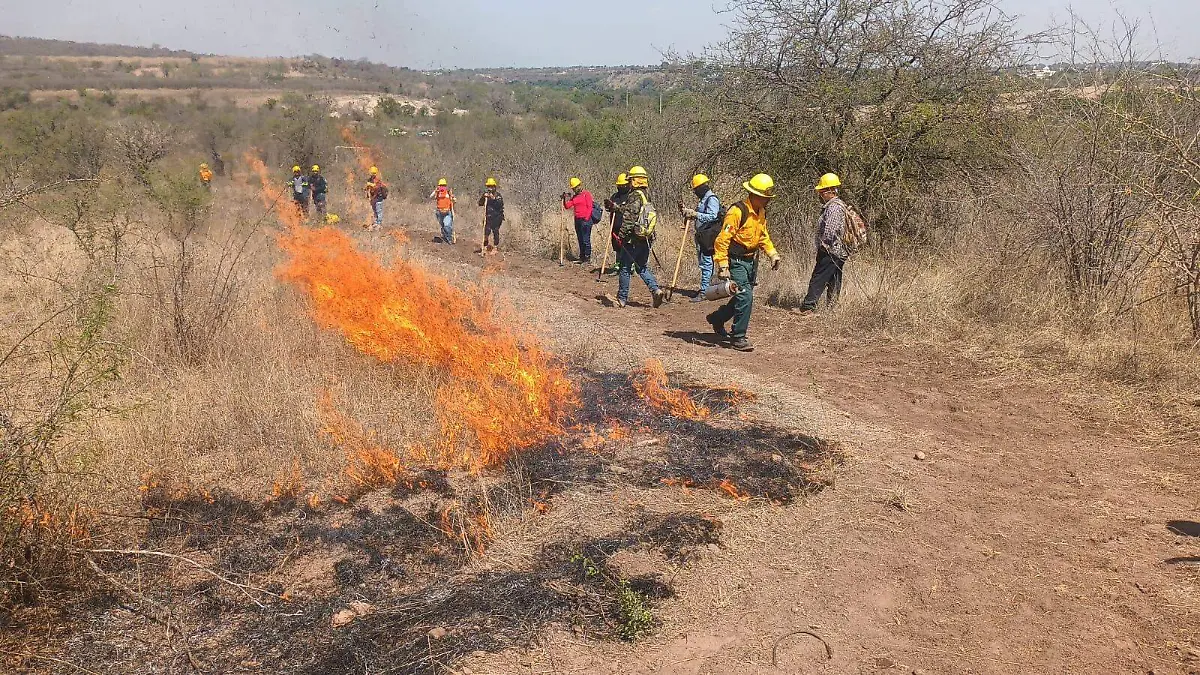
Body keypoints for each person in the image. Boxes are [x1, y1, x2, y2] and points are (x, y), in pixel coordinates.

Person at [707, 174, 782, 352]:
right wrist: (723, 265)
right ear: (754, 195)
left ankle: (718, 318)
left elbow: (763, 236)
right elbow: (722, 240)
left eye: (768, 198)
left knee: (742, 296)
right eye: (765, 197)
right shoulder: (737, 212)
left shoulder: (761, 212)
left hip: (750, 262)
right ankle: (738, 336)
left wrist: (772, 253)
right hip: (736, 261)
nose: (767, 201)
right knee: (746, 296)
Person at [612, 166, 665, 309]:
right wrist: (617, 208)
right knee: (641, 267)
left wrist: (621, 236)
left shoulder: (634, 195)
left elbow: (630, 218)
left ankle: (622, 299)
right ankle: (655, 289)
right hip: (645, 238)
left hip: (632, 240)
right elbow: (634, 211)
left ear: (634, 181)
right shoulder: (646, 195)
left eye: (630, 180)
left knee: (624, 267)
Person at [800, 173, 849, 314]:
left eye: (822, 191)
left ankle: (808, 306)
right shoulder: (839, 206)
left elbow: (830, 231)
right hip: (839, 251)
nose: (820, 195)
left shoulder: (833, 207)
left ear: (830, 191)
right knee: (834, 279)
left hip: (831, 250)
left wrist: (823, 246)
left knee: (819, 277)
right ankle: (831, 309)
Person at [680, 174, 721, 303]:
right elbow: (701, 215)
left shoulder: (711, 199)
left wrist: (696, 214)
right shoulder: (703, 199)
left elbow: (712, 216)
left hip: (708, 236)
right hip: (701, 235)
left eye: (696, 189)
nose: (695, 192)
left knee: (706, 263)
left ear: (701, 187)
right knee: (704, 263)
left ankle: (704, 292)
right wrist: (688, 212)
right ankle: (705, 288)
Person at [602, 173, 631, 274]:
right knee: (617, 246)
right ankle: (618, 265)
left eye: (623, 185)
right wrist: (608, 206)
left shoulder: (630, 197)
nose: (621, 187)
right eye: (619, 185)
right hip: (615, 225)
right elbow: (609, 209)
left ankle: (629, 266)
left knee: (627, 246)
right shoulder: (615, 196)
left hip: (626, 226)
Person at [562, 177, 594, 265]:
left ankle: (587, 258)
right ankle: (582, 257)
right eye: (573, 188)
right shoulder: (575, 197)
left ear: (579, 185)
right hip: (577, 220)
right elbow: (567, 206)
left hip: (586, 220)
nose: (574, 189)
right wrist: (564, 199)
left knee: (585, 240)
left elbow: (590, 207)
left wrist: (586, 219)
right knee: (580, 239)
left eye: (575, 187)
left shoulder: (586, 194)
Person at [478, 177, 505, 250]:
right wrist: (483, 197)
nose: (489, 188)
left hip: (497, 217)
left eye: (491, 186)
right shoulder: (486, 194)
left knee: (495, 231)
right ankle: (485, 246)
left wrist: (494, 199)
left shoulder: (498, 196)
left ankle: (495, 247)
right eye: (488, 186)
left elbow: (500, 205)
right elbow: (480, 203)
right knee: (486, 231)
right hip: (488, 216)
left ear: (494, 187)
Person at [430, 178, 456, 243]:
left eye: (443, 185)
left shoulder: (448, 192)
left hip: (447, 212)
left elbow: (454, 200)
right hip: (439, 213)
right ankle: (444, 237)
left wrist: (453, 199)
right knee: (443, 226)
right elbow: (431, 197)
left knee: (447, 226)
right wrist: (435, 191)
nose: (442, 187)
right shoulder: (437, 193)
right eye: (441, 185)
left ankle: (449, 239)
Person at [364, 166, 386, 230]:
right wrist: (367, 195)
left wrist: (371, 185)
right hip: (373, 198)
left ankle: (379, 224)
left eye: (374, 173)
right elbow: (367, 189)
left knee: (379, 211)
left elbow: (377, 187)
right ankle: (376, 222)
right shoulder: (369, 180)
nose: (373, 174)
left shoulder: (378, 180)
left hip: (379, 198)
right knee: (375, 211)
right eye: (372, 173)